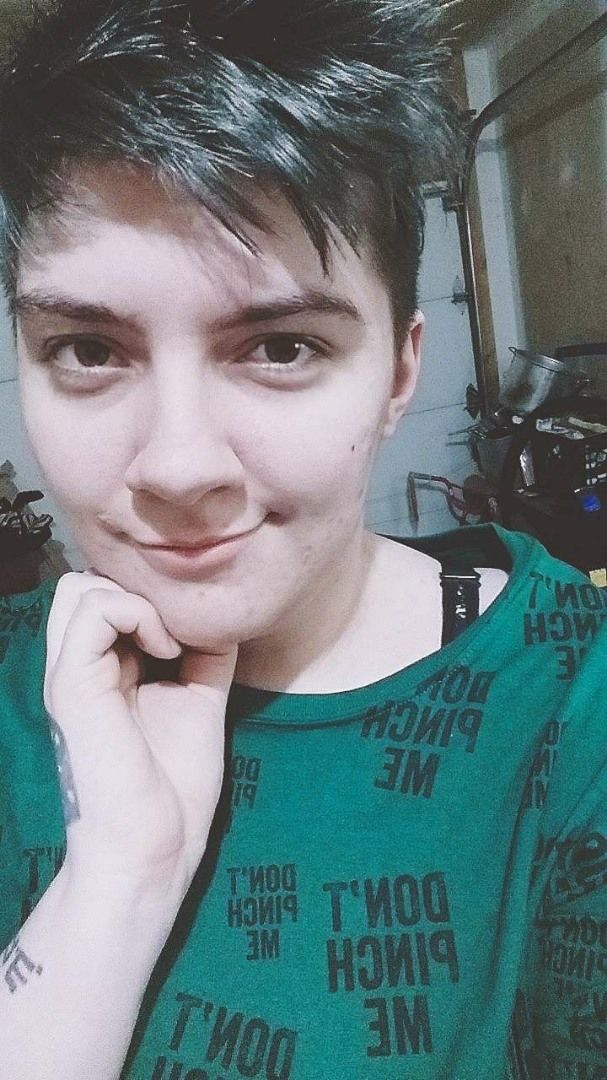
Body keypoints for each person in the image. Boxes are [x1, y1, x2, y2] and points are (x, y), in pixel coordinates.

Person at [0, 0, 606, 1077]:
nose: (178, 465)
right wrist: (118, 882)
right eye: (87, 348)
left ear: (399, 372)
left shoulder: (570, 694)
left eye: (280, 347)